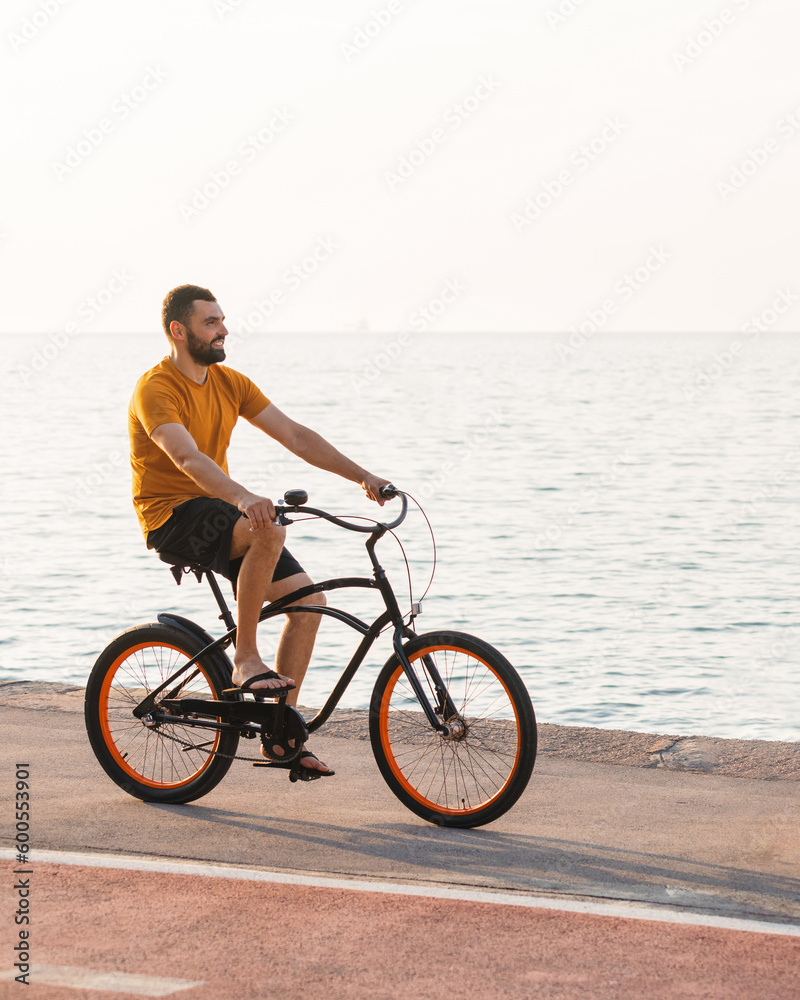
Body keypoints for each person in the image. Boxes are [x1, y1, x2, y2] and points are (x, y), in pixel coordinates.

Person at [128, 284, 392, 776]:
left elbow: (295, 435)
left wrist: (364, 476)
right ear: (178, 331)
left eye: (223, 319)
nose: (224, 329)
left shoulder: (230, 383)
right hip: (171, 515)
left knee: (309, 604)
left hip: (216, 506)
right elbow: (186, 457)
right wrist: (244, 498)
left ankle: (278, 734)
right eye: (211, 322)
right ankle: (245, 657)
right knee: (267, 530)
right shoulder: (155, 388)